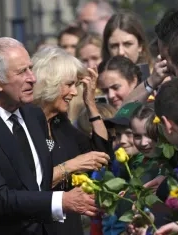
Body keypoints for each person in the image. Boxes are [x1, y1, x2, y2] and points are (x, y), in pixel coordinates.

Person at [0, 37, 99, 235]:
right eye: (22, 72)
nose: (32, 78)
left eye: (30, 68)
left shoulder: (33, 115)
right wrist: (61, 201)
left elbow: (39, 181)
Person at [31, 46, 111, 235]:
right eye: (69, 85)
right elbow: (28, 186)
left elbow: (100, 153)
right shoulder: (25, 125)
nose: (74, 92)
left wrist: (90, 104)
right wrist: (71, 166)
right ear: (49, 84)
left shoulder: (60, 123)